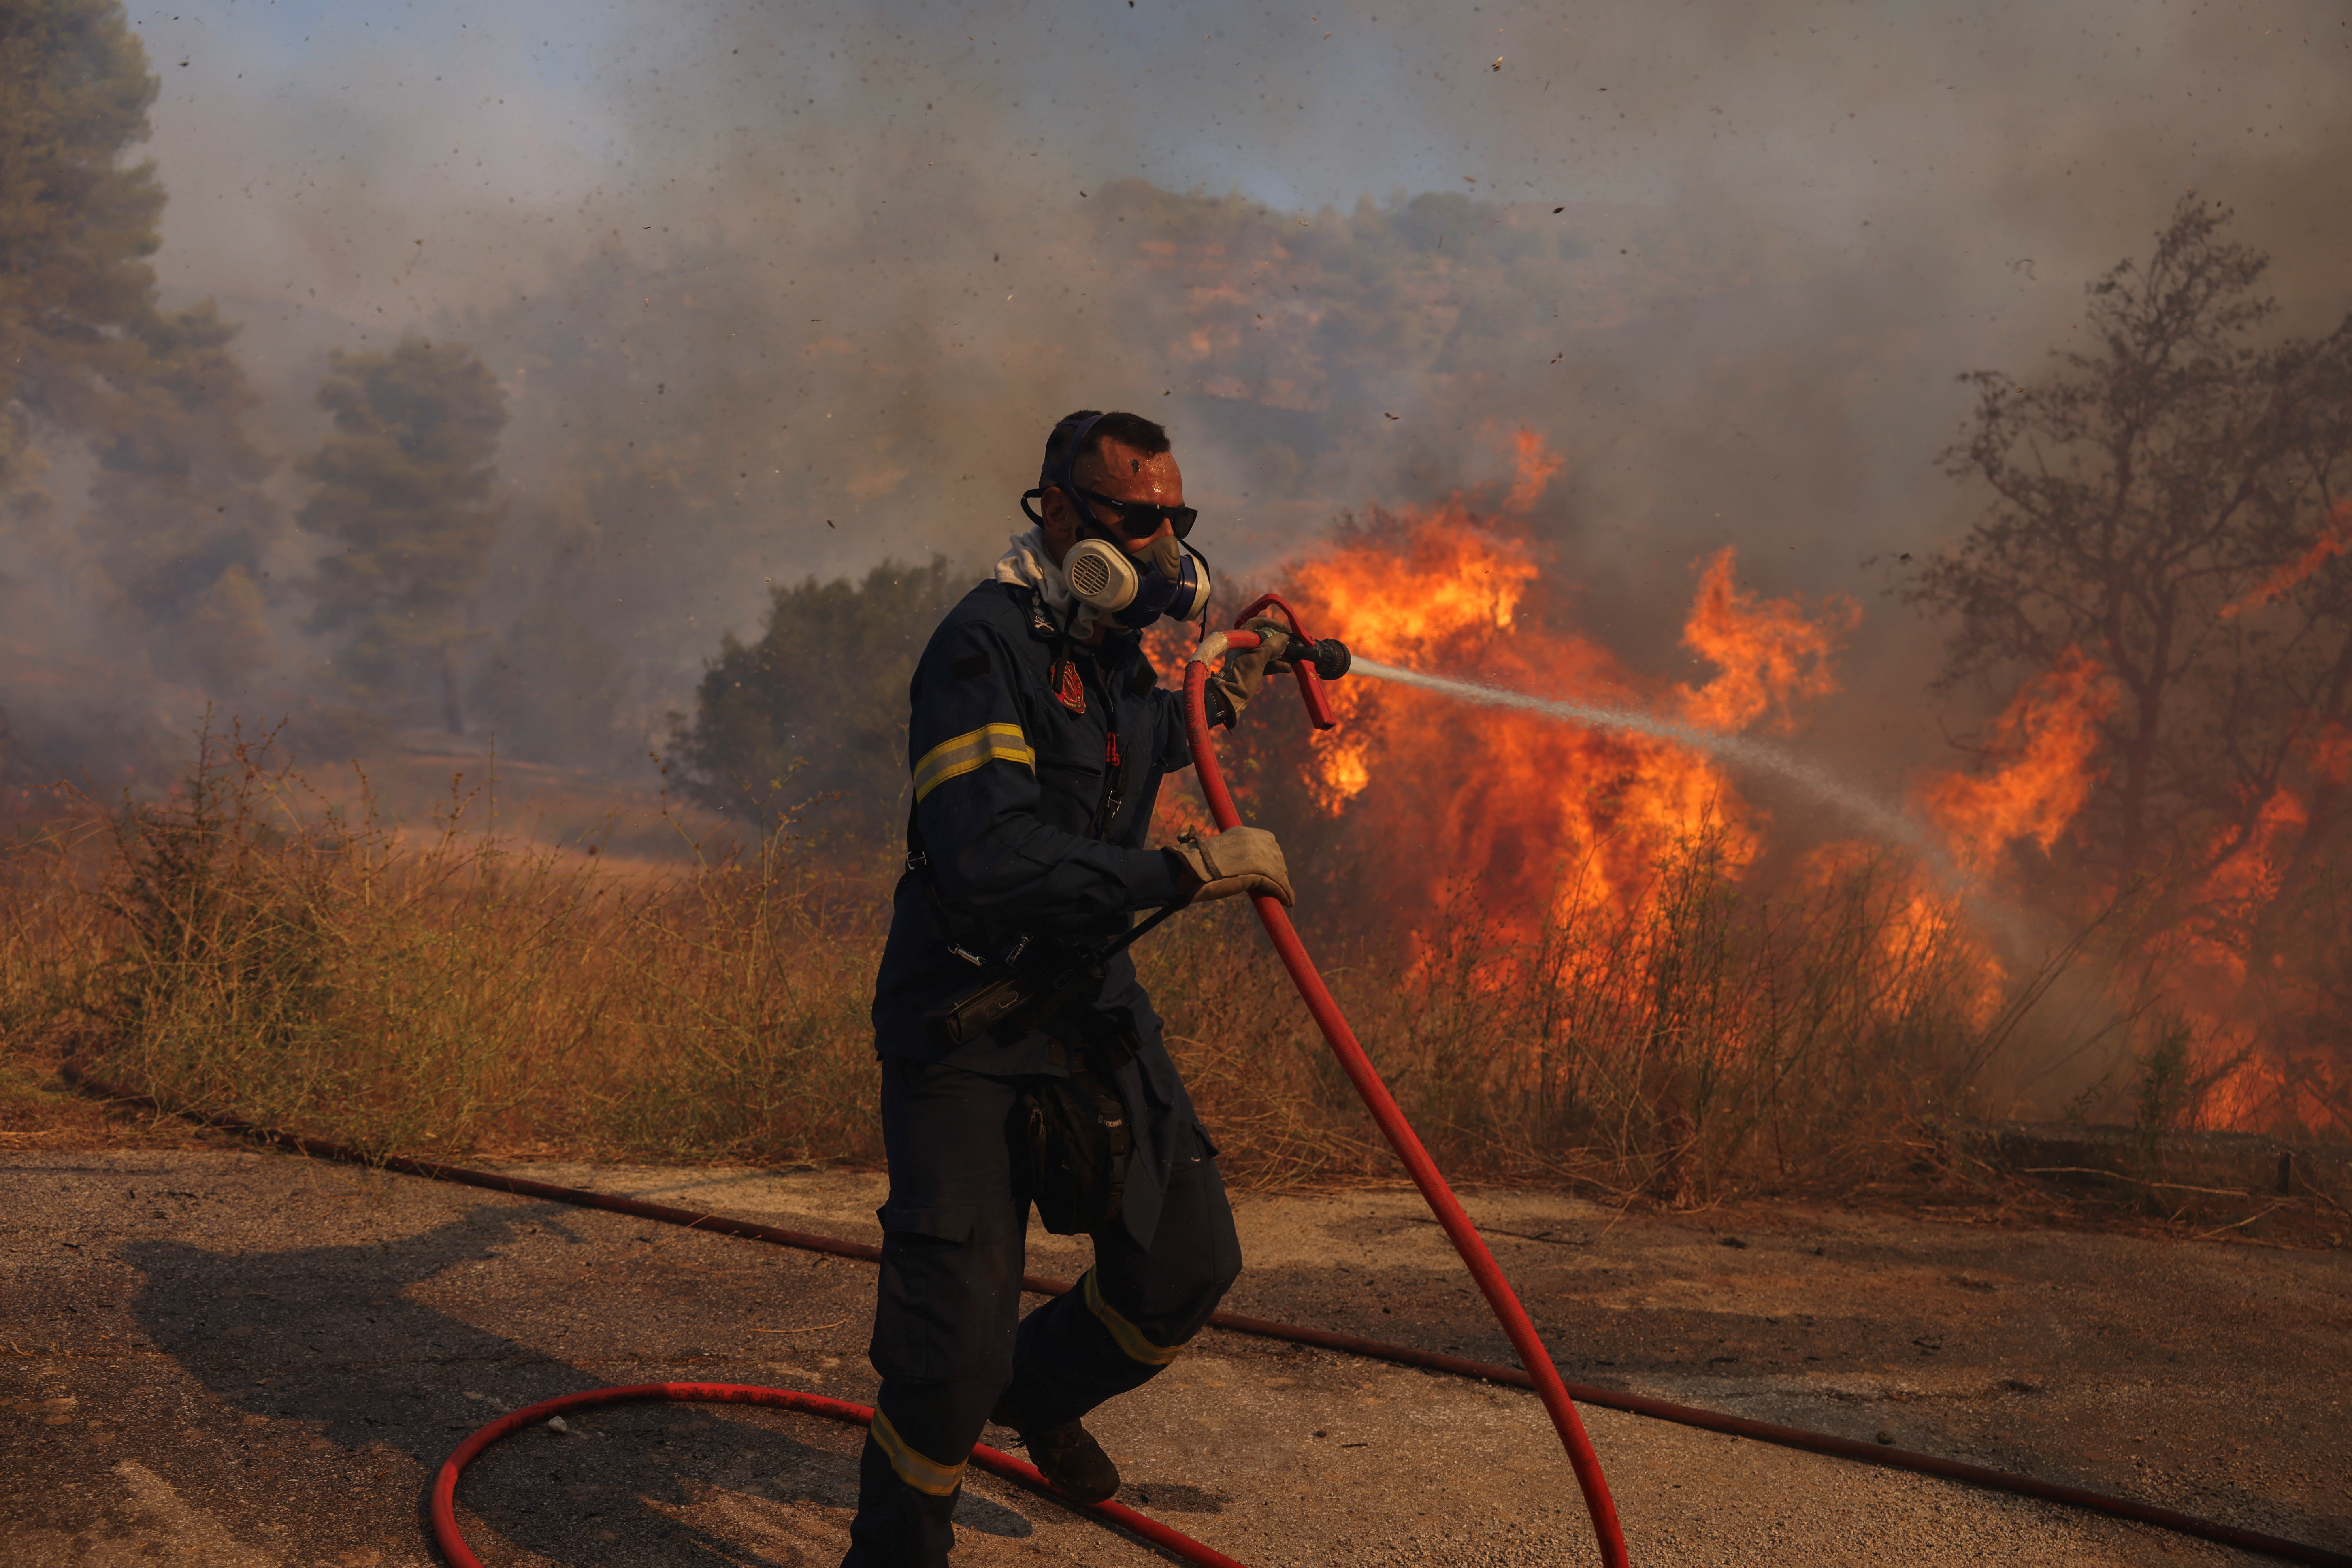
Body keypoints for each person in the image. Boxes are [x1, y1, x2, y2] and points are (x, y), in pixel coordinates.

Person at [844, 410, 1296, 1566]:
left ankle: (1035, 1393)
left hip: (1086, 1003)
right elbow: (987, 855)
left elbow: (1129, 740)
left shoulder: (1109, 649)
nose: (1158, 549)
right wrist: (1179, 870)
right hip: (964, 1020)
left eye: (1173, 524)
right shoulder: (977, 647)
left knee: (1186, 1268)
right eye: (1134, 520)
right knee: (947, 1353)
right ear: (1059, 512)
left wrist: (1224, 696)